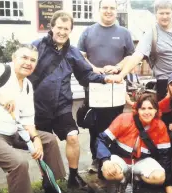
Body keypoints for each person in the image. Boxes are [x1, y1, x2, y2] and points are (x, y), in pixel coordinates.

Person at [28, 10, 116, 190]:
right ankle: (48, 179)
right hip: (37, 107)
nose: (62, 32)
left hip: (62, 107)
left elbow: (85, 75)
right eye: (59, 27)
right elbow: (22, 70)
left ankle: (73, 176)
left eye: (66, 29)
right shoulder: (36, 47)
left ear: (71, 30)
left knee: (73, 137)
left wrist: (104, 78)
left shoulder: (73, 52)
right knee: (44, 144)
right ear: (52, 27)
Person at [0, 45, 66, 193]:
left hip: (13, 133)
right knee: (19, 163)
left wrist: (36, 138)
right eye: (24, 58)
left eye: (33, 60)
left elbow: (27, 119)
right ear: (14, 58)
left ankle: (52, 186)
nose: (28, 63)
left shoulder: (27, 85)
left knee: (49, 140)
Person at [105, 0, 172, 101]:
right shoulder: (151, 33)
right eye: (161, 13)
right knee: (167, 113)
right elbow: (137, 55)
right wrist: (121, 75)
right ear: (156, 14)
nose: (165, 16)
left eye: (167, 13)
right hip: (165, 80)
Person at [77, 0, 135, 173]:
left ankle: (113, 158)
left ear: (117, 11)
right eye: (105, 8)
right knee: (95, 124)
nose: (108, 11)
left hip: (116, 86)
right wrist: (94, 69)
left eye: (112, 8)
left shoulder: (124, 33)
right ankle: (97, 159)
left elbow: (130, 57)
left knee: (116, 122)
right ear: (99, 10)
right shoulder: (87, 32)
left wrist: (117, 67)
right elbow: (80, 56)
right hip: (95, 85)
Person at [96, 93, 172, 193]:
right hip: (121, 159)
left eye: (150, 108)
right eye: (143, 108)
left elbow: (165, 156)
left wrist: (168, 185)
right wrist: (105, 160)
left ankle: (136, 180)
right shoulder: (124, 119)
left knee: (159, 177)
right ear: (137, 110)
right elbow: (101, 140)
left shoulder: (160, 126)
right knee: (109, 172)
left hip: (141, 161)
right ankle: (123, 180)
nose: (147, 112)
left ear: (156, 110)